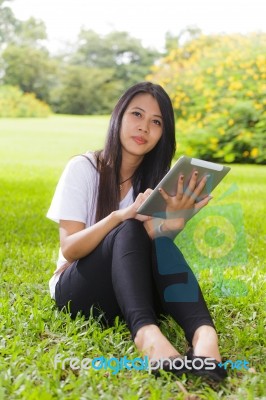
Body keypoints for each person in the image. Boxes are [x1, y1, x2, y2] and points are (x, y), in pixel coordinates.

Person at [47, 82, 227, 381]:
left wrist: (174, 224)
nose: (144, 127)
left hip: (131, 292)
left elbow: (151, 255)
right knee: (129, 226)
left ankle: (205, 339)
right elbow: (70, 249)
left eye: (156, 122)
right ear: (118, 116)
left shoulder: (156, 182)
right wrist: (119, 216)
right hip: (79, 290)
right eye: (137, 115)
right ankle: (147, 336)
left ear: (163, 133)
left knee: (159, 245)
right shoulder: (84, 168)